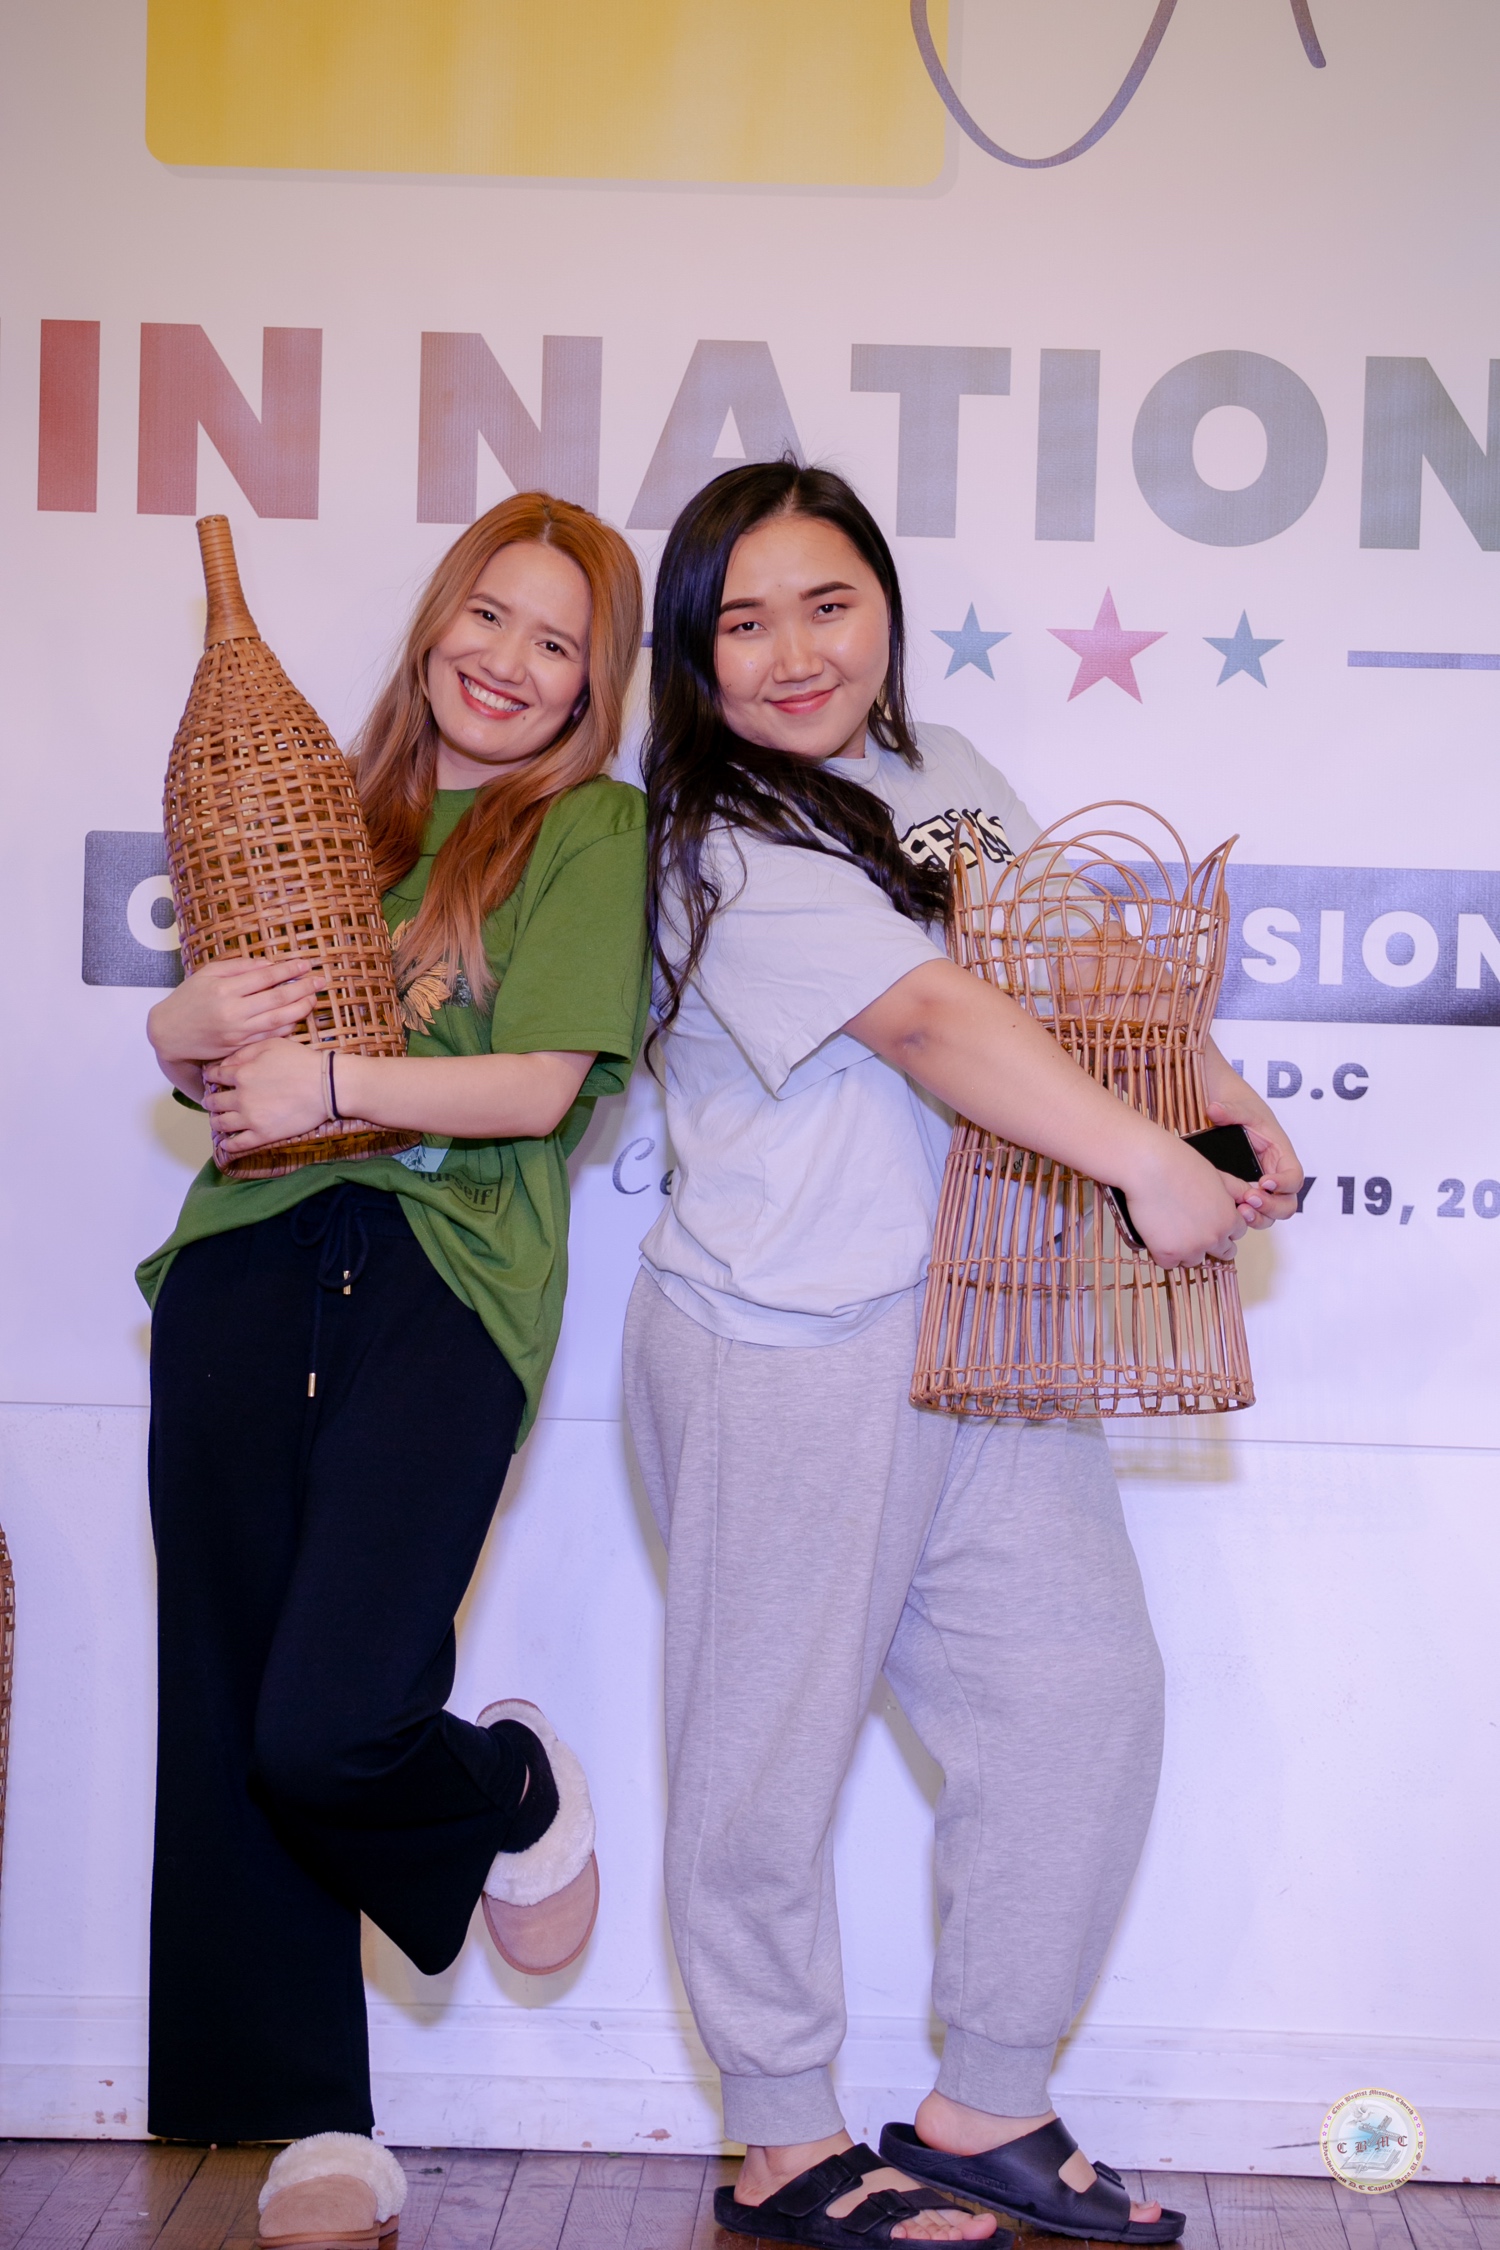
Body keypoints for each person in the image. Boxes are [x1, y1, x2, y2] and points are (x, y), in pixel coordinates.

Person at [625, 463, 1303, 2248]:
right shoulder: (710, 838)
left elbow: (1076, 961)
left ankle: (984, 2102)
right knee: (763, 1753)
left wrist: (1217, 1100)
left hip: (983, 1326)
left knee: (1081, 1696)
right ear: (692, 652)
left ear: (886, 607)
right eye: (743, 621)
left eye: (827, 603)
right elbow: (934, 1017)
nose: (794, 653)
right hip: (781, 1340)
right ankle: (780, 2138)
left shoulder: (940, 778)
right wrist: (1142, 1159)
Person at [137, 494, 649, 2238]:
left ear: (593, 686)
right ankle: (311, 2121)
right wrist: (177, 1030)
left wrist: (337, 1085)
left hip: (449, 1275)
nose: (508, 661)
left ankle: (504, 1785)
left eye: (557, 641)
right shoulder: (321, 811)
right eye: (487, 615)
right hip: (240, 1263)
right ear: (436, 621)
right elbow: (219, 1046)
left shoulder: (586, 828)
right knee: (228, 1700)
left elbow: (540, 1085)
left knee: (328, 1719)